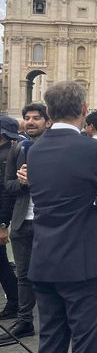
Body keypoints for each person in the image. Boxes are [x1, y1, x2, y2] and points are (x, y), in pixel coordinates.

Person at [27, 81, 97, 353]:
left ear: (48, 111)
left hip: (45, 261)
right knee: (86, 348)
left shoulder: (35, 150)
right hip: (85, 264)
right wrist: (96, 203)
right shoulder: (93, 149)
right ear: (84, 111)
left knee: (50, 343)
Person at [0, 103, 49, 347]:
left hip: (47, 221)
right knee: (23, 275)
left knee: (51, 273)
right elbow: (7, 185)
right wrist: (21, 183)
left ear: (47, 121)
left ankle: (55, 319)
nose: (31, 122)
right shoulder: (17, 148)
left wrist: (37, 181)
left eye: (36, 118)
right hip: (22, 220)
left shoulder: (54, 149)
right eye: (27, 118)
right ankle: (24, 320)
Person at [0, 116, 20, 322]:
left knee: (2, 263)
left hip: (2, 216)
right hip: (4, 215)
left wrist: (2, 224)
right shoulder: (10, 152)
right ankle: (16, 301)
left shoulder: (5, 156)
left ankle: (15, 302)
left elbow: (5, 193)